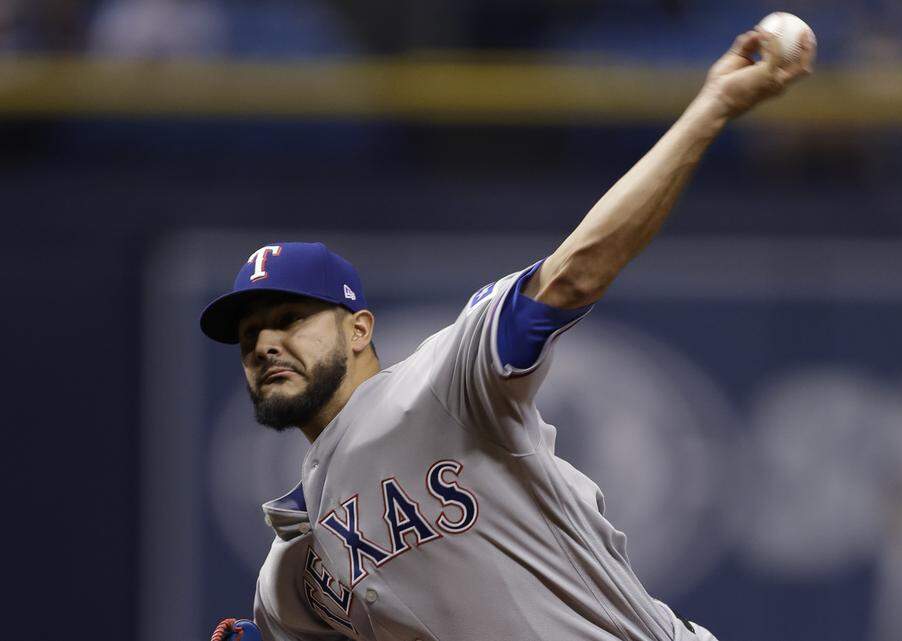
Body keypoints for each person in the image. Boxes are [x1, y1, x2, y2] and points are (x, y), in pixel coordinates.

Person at [201, 25, 815, 641]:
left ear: (360, 329)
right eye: (248, 334)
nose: (264, 344)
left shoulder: (442, 385)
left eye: (290, 319)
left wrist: (711, 108)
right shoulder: (294, 571)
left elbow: (572, 277)